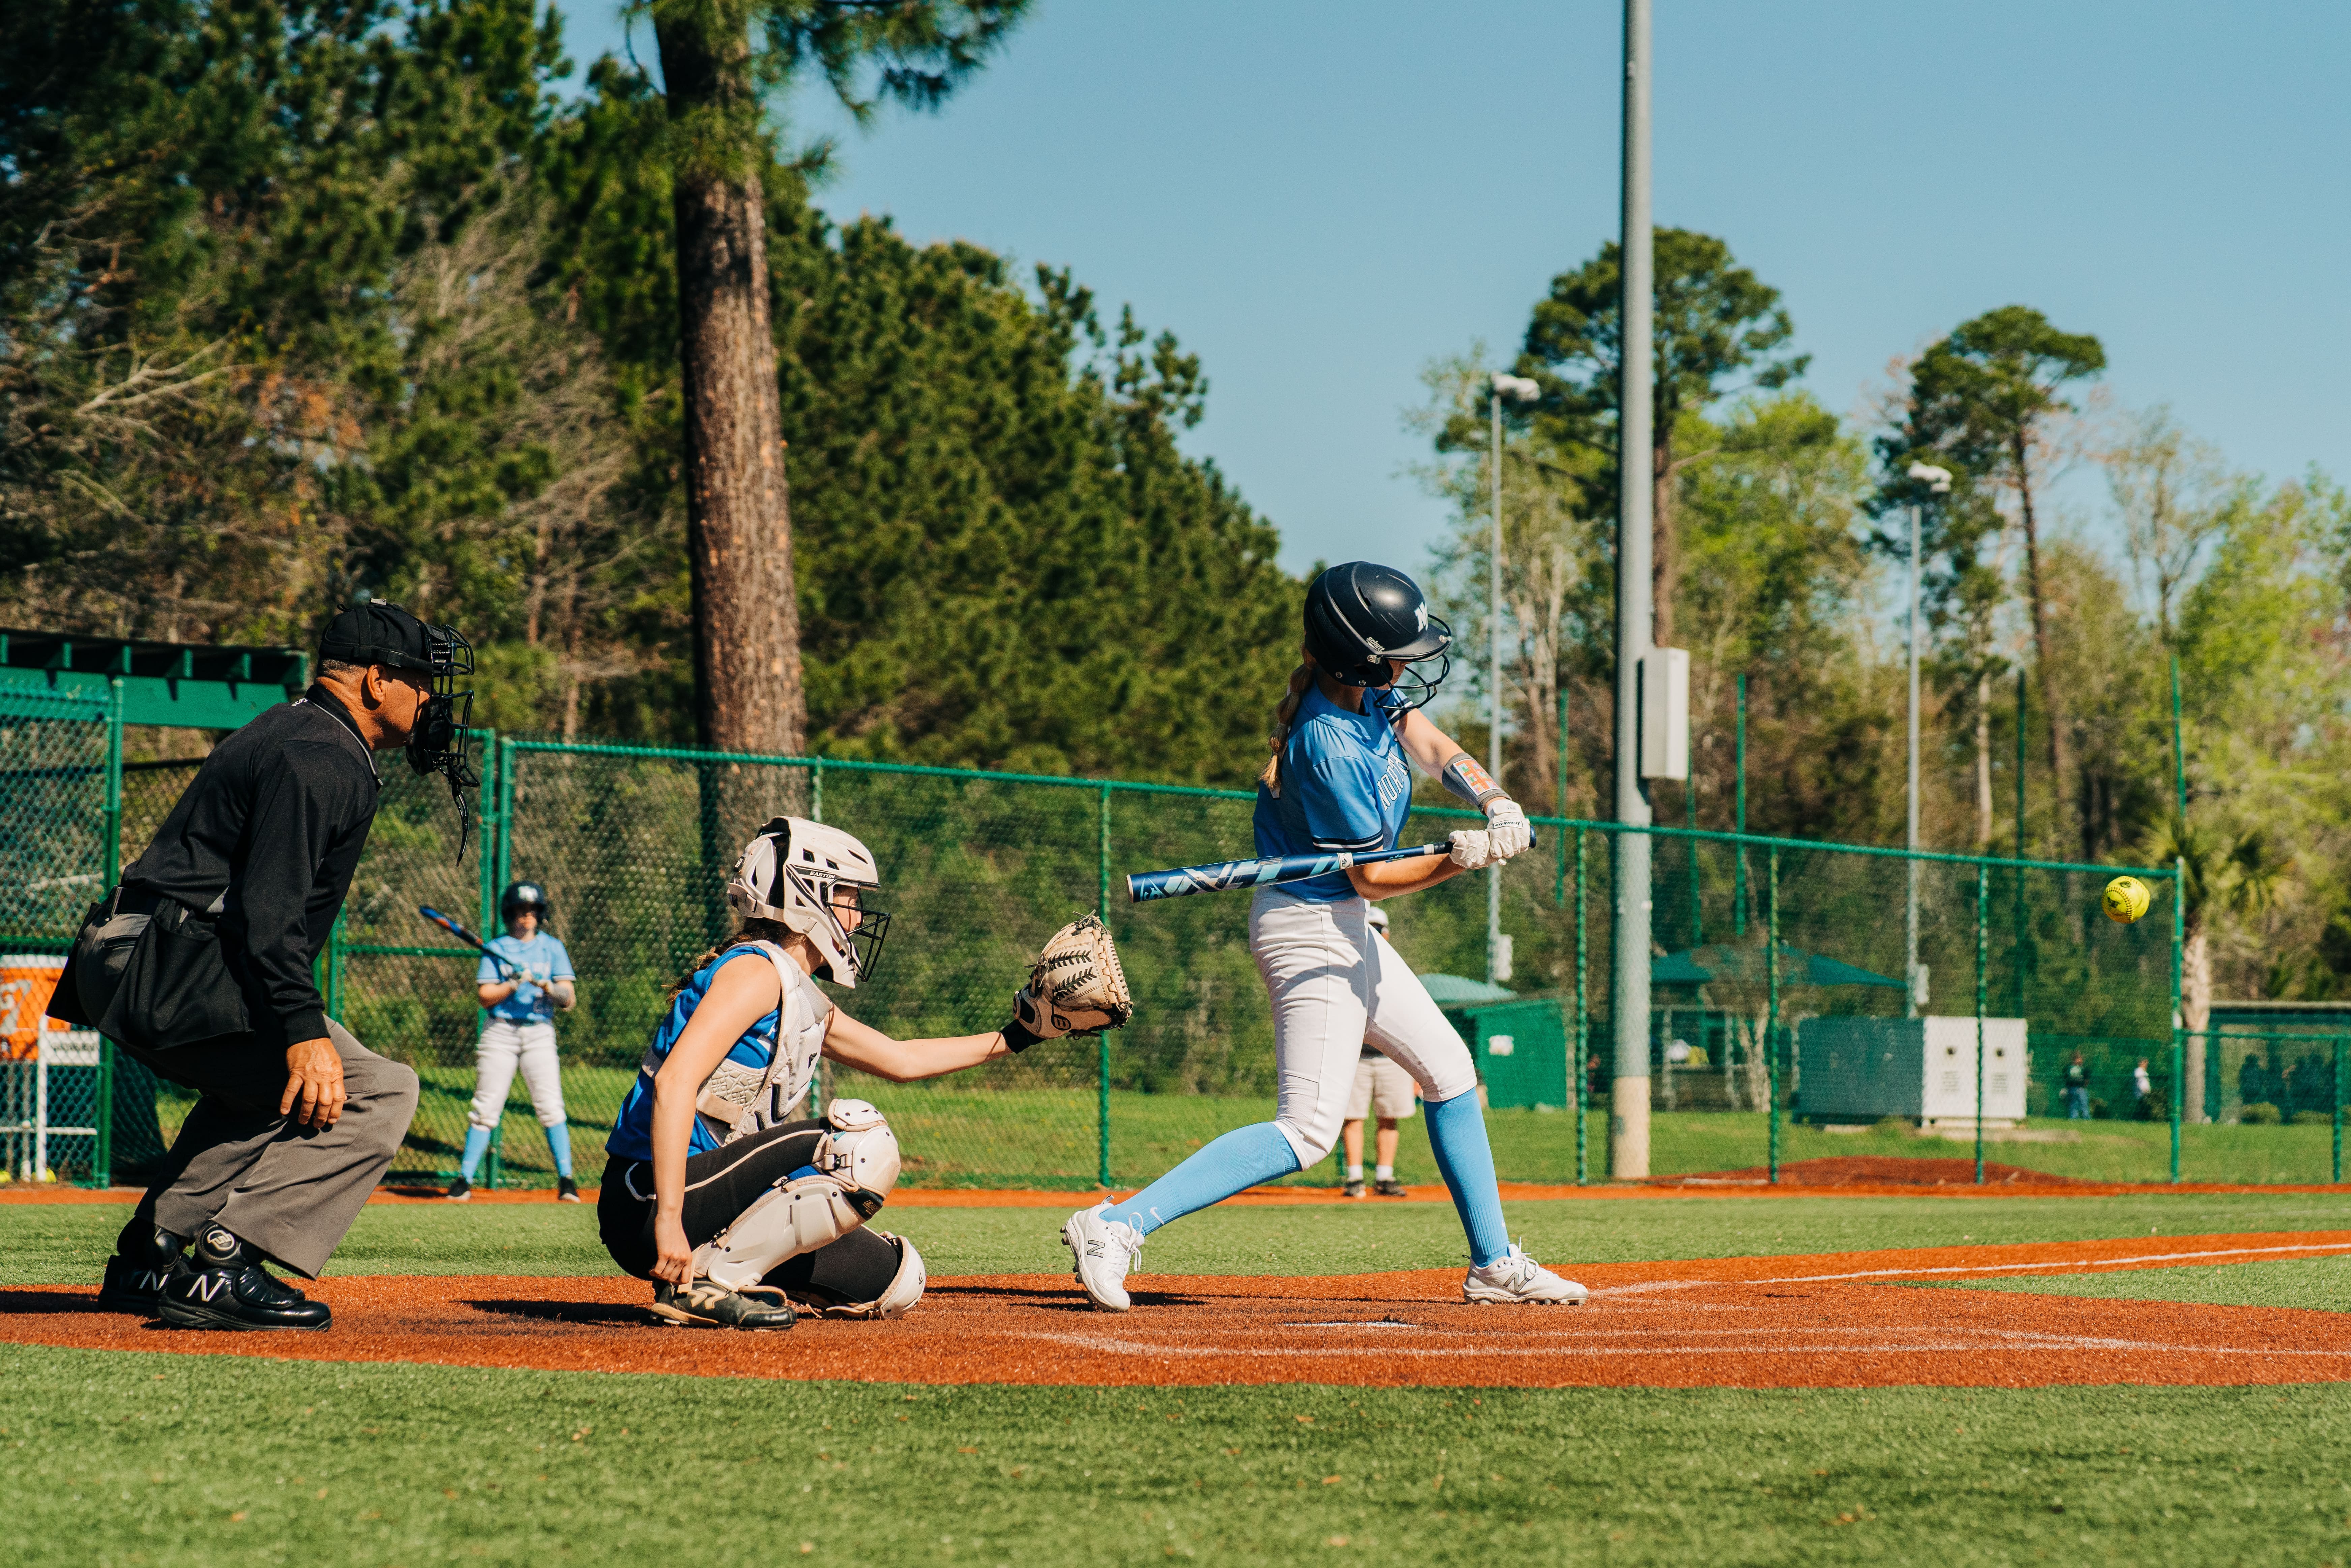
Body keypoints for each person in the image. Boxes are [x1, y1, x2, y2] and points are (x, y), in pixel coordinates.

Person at [1060, 562, 1584, 1312]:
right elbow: (1371, 879)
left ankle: (1494, 1262)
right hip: (1309, 927)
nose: (1409, 665)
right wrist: (1457, 859)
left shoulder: (1367, 694)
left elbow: (1433, 747)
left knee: (1450, 1071)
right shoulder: (1325, 742)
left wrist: (1493, 800)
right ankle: (1114, 1225)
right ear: (1356, 656)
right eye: (1397, 652)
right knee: (1307, 1131)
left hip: (1345, 924)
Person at [52, 602, 473, 1329]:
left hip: (135, 950)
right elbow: (268, 915)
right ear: (376, 681)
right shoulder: (322, 754)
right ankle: (229, 1260)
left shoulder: (294, 727)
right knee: (379, 1089)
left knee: (258, 1090)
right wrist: (302, 1029)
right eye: (420, 681)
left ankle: (152, 1253)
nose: (431, 698)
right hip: (168, 962)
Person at [601, 815, 1127, 1328]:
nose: (857, 914)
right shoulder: (755, 971)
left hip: (704, 1197)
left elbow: (901, 1060)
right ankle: (708, 1283)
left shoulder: (796, 992)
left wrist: (1024, 1033)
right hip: (648, 1198)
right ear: (806, 892)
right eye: (849, 896)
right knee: (858, 1142)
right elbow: (674, 1083)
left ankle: (730, 1268)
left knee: (897, 1279)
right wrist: (669, 1219)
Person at [447, 882, 579, 1202]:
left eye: (532, 910)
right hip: (501, 1032)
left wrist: (545, 985)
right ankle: (465, 1179)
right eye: (521, 911)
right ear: (510, 914)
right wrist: (512, 983)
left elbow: (569, 999)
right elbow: (485, 996)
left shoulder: (552, 948)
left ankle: (567, 1180)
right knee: (486, 1106)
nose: (527, 916)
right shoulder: (498, 947)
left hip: (539, 1032)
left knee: (550, 1106)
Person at [1339, 901, 1415, 1198]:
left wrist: (1413, 1069)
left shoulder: (1399, 972)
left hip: (1391, 1058)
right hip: (1354, 1058)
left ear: (1387, 934)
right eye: (1366, 930)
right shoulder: (1345, 968)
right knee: (1353, 1117)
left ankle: (1385, 1177)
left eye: (1377, 930)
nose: (1372, 935)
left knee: (1389, 1116)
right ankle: (1354, 1179)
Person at [2063, 1051, 2091, 1119]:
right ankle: (2074, 1118)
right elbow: (2066, 1078)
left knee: (2084, 1104)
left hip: (2081, 1089)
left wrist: (2083, 1087)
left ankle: (2086, 1118)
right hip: (2071, 1088)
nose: (2081, 1061)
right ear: (2075, 1060)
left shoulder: (2084, 1069)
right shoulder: (2069, 1068)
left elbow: (2087, 1080)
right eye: (2080, 1059)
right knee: (2073, 1104)